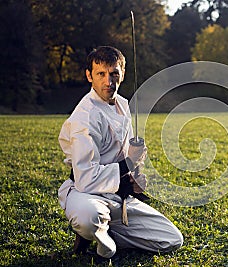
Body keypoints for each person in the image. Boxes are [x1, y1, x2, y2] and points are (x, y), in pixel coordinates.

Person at [58, 46, 183, 259]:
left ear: (122, 74)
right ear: (89, 76)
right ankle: (96, 235)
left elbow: (125, 157)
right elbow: (86, 178)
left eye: (114, 73)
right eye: (101, 74)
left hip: (118, 197)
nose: (109, 82)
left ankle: (106, 232)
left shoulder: (123, 105)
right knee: (88, 218)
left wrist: (134, 179)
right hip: (87, 195)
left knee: (171, 239)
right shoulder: (84, 117)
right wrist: (128, 166)